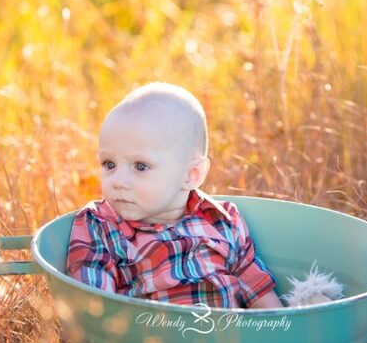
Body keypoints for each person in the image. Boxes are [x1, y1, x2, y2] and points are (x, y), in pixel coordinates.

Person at [66, 82, 283, 309]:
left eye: (140, 166)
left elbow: (259, 295)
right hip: (149, 331)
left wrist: (285, 326)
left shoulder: (222, 220)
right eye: (109, 164)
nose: (118, 181)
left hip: (230, 331)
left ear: (191, 174)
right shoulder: (100, 226)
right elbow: (96, 308)